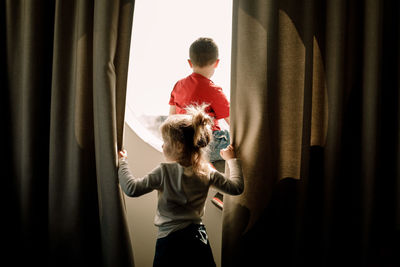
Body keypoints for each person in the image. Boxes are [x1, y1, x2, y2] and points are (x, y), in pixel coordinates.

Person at [118, 106, 244, 267]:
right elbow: (236, 188)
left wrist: (122, 162)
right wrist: (232, 160)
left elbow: (131, 189)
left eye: (165, 142)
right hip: (197, 238)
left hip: (170, 241)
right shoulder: (207, 172)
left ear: (178, 146)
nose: (163, 146)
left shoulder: (164, 171)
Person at [168, 37, 230, 165]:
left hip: (185, 145)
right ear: (217, 63)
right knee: (237, 139)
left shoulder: (178, 85)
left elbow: (171, 119)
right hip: (207, 145)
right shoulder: (214, 90)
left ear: (190, 63)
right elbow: (233, 122)